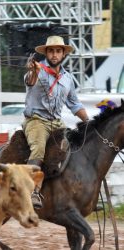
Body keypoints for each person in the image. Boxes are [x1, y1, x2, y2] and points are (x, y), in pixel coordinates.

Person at [23, 35, 89, 208]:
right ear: (46, 53)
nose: (54, 54)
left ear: (63, 54)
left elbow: (74, 104)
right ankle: (33, 191)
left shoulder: (68, 78)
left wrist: (88, 121)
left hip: (56, 122)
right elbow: (30, 80)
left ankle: (77, 194)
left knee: (75, 146)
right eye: (51, 51)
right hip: (36, 121)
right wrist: (34, 71)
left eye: (58, 51)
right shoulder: (37, 70)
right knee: (38, 149)